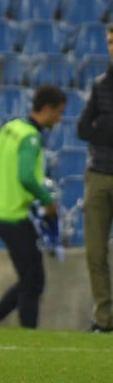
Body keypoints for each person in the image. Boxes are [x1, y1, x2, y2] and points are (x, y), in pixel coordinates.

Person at [0, 85, 67, 330]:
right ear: (47, 109)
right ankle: (27, 335)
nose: (60, 118)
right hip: (16, 215)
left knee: (30, 278)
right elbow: (26, 176)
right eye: (59, 112)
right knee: (33, 281)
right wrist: (47, 200)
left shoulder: (8, 128)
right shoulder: (30, 138)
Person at [77, 26, 113, 334]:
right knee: (95, 252)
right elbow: (82, 129)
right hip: (99, 175)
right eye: (111, 42)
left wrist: (102, 130)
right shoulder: (101, 85)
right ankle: (105, 318)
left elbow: (92, 128)